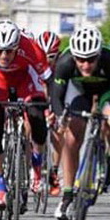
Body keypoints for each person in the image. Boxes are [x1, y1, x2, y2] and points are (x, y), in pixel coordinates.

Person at [0, 20, 52, 211]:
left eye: (9, 51)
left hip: (25, 79)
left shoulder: (31, 49)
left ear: (18, 46)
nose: (4, 56)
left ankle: (36, 164)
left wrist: (50, 108)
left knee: (36, 114)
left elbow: (49, 80)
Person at [50, 26, 110, 220]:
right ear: (74, 57)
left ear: (99, 55)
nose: (85, 65)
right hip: (79, 91)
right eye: (80, 59)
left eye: (91, 59)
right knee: (72, 136)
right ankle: (67, 194)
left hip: (106, 90)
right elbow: (56, 96)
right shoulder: (65, 62)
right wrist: (60, 116)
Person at [37, 30, 63, 195]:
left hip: (54, 95)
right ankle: (33, 168)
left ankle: (53, 170)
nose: (47, 60)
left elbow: (58, 92)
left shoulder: (61, 66)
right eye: (43, 55)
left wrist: (55, 112)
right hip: (36, 96)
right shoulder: (32, 62)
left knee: (59, 132)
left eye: (51, 56)